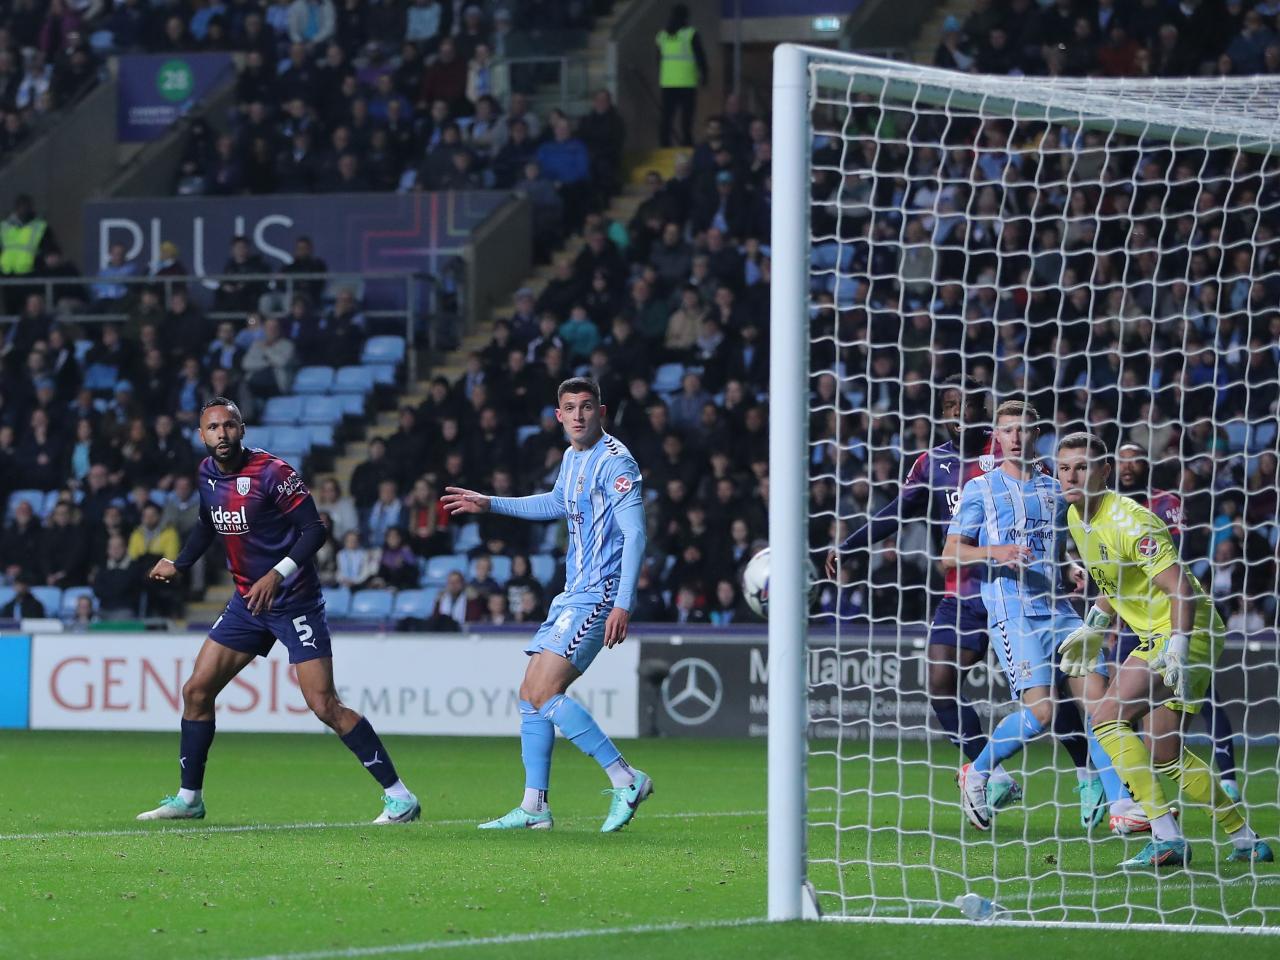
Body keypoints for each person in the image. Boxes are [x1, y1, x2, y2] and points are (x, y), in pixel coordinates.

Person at [137, 398, 420, 825]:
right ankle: (189, 798)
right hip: (248, 603)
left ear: (242, 428)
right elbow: (206, 523)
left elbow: (314, 530)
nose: (222, 434)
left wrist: (277, 574)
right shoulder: (207, 474)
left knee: (323, 703)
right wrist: (180, 564)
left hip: (294, 601)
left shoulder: (273, 472)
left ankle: (400, 797)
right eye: (213, 428)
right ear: (202, 435)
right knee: (196, 691)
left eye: (229, 426)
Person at [442, 376, 652, 832]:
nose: (578, 415)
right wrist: (489, 502)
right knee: (530, 697)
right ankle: (535, 806)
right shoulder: (572, 458)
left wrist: (623, 602)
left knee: (541, 692)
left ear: (602, 411)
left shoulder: (616, 463)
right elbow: (555, 503)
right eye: (570, 408)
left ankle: (626, 777)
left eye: (587, 407)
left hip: (599, 594)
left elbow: (636, 533)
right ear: (559, 416)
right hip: (572, 594)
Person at [1055, 433, 1272, 869]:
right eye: (1064, 468)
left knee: (1105, 719)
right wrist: (1095, 625)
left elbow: (1180, 591)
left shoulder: (1133, 521)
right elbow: (1114, 583)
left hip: (1184, 628)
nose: (1072, 477)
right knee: (1164, 751)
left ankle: (1165, 835)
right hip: (1160, 631)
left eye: (1082, 467)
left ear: (1104, 471)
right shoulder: (1077, 517)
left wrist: (1175, 645)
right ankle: (1246, 838)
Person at [944, 401, 1129, 833]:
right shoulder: (980, 488)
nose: (1014, 438)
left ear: (1036, 434)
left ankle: (1123, 806)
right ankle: (979, 771)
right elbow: (950, 554)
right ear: (997, 435)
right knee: (1043, 713)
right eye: (1007, 430)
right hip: (1013, 614)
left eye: (1023, 430)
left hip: (1060, 612)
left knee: (1102, 708)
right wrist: (996, 552)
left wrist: (1069, 568)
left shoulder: (1052, 489)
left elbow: (1056, 549)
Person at [1114, 442, 1241, 801]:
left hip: (1173, 612)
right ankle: (1133, 794)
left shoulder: (1166, 503)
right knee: (1125, 706)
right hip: (1130, 619)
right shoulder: (1109, 510)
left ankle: (1228, 776)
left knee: (1203, 697)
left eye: (1135, 460)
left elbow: (1171, 560)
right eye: (1121, 460)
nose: (1127, 467)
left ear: (1146, 465)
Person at [655, 4, 705, 148]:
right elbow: (700, 56)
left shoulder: (662, 35)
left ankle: (664, 143)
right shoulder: (690, 34)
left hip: (667, 82)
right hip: (687, 81)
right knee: (686, 116)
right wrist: (704, 74)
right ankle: (687, 141)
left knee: (667, 116)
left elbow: (658, 59)